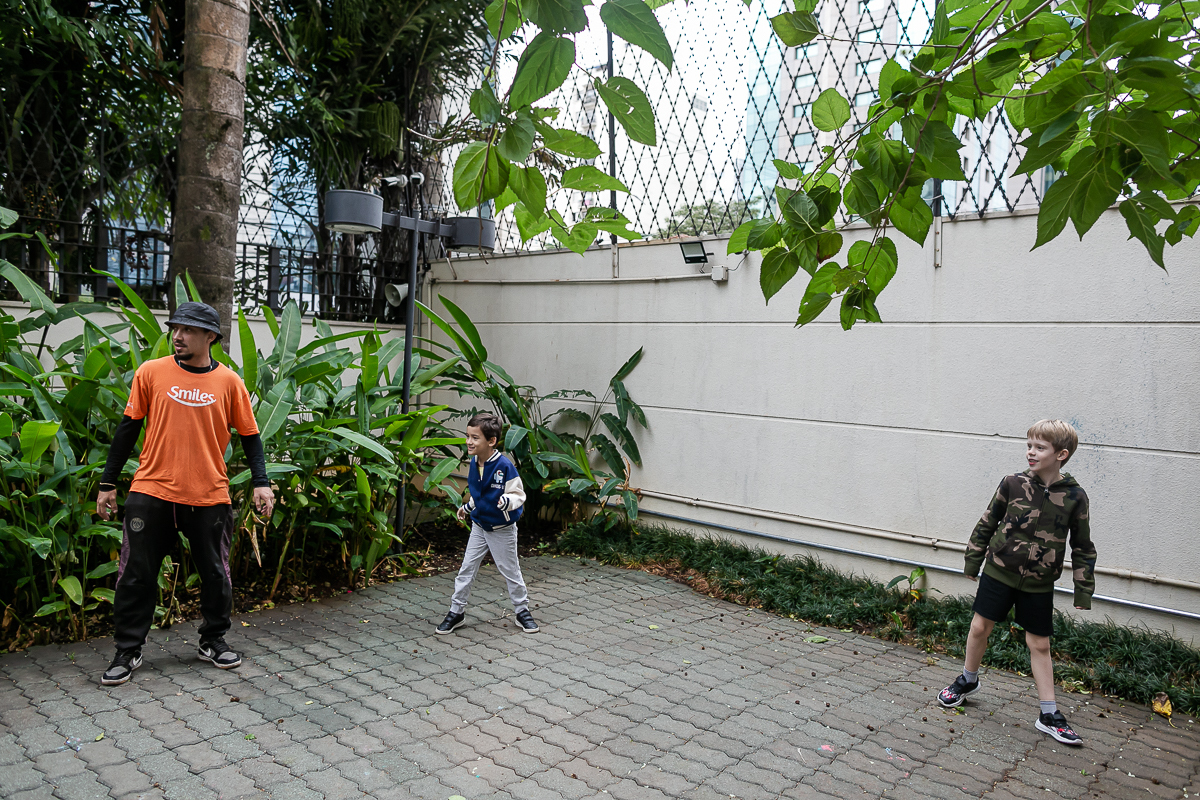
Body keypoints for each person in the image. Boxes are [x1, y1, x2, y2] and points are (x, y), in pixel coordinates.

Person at [96, 302, 275, 685]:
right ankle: (128, 650)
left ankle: (213, 640)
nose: (178, 336)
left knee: (215, 573)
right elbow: (128, 429)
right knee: (136, 574)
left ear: (210, 337)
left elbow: (250, 437)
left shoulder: (229, 382)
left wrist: (261, 481)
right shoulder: (151, 372)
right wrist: (108, 483)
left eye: (188, 330)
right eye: (175, 328)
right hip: (151, 490)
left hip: (209, 494)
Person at [937, 419, 1096, 745]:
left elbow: (1082, 546)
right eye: (1029, 445)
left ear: (1061, 454)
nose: (1031, 452)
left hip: (1039, 583)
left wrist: (1084, 588)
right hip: (998, 572)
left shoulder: (1075, 498)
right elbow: (987, 521)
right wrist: (973, 559)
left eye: (1040, 447)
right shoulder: (1012, 483)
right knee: (980, 627)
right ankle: (968, 679)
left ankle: (1049, 713)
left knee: (1039, 644)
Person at [435, 412, 539, 635]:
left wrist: (507, 501)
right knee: (466, 569)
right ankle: (456, 612)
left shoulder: (504, 466)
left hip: (502, 529)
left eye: (475, 438)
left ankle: (522, 612)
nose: (469, 442)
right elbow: (479, 495)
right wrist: (467, 508)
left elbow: (518, 494)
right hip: (480, 527)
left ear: (491, 441)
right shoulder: (474, 463)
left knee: (510, 570)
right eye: (468, 436)